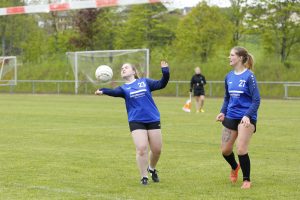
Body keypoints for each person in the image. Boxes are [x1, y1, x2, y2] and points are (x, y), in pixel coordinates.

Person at [95, 61, 170, 185]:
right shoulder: (123, 89)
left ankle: (151, 169)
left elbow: (162, 83)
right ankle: (144, 177)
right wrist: (102, 90)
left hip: (153, 118)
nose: (123, 69)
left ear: (134, 71)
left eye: (126, 67)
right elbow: (113, 92)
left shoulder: (145, 82)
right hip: (136, 121)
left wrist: (165, 71)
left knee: (157, 150)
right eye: (122, 68)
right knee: (141, 148)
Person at [216, 46, 260, 189]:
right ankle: (235, 167)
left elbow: (256, 100)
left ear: (240, 58)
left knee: (241, 148)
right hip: (230, 116)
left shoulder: (249, 76)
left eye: (232, 55)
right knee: (225, 150)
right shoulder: (228, 76)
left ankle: (247, 180)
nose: (229, 57)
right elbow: (227, 98)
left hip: (246, 118)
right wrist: (222, 112)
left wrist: (248, 115)